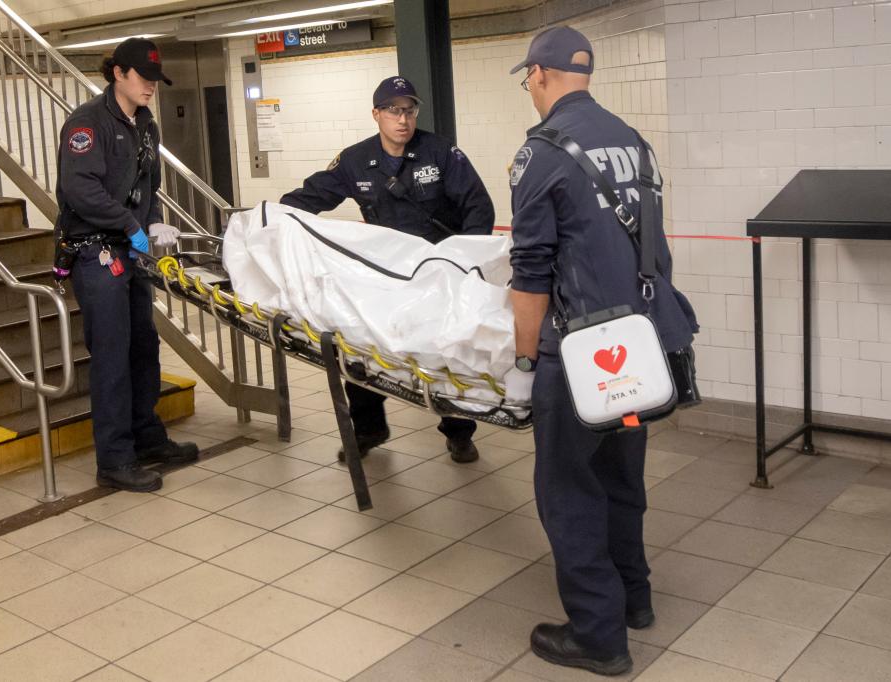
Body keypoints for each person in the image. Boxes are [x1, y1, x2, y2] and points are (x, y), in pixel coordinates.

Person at [507, 26, 698, 675]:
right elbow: (654, 250)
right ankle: (634, 598)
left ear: (537, 75)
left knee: (568, 489)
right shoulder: (635, 143)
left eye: (528, 80)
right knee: (622, 476)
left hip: (579, 352)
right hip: (638, 349)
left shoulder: (541, 153)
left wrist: (525, 363)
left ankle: (598, 633)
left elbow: (532, 273)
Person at [280, 75, 496, 464]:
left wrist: (463, 259)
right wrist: (276, 216)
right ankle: (368, 429)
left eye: (409, 110)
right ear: (377, 114)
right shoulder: (356, 160)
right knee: (362, 346)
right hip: (385, 274)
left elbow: (479, 206)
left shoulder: (441, 152)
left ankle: (459, 432)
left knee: (445, 350)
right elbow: (310, 197)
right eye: (394, 111)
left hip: (439, 270)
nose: (403, 119)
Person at [55, 38, 198, 492]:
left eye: (156, 78)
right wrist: (127, 225)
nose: (151, 85)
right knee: (113, 354)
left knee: (143, 344)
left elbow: (147, 188)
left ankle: (146, 437)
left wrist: (152, 226)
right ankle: (114, 459)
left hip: (132, 253)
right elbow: (80, 190)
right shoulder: (87, 123)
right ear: (118, 73)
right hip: (96, 252)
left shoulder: (147, 126)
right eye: (143, 76)